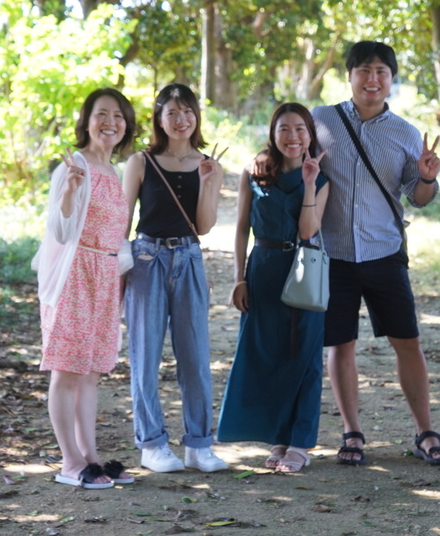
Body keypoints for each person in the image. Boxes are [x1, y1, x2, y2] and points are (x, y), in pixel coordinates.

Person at [311, 40, 440, 466]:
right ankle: (352, 433)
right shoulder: (320, 121)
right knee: (340, 345)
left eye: (381, 72)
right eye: (364, 71)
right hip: (332, 253)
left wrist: (426, 178)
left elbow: (418, 198)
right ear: (349, 76)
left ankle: (425, 432)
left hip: (384, 252)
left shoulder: (406, 133)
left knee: (407, 342)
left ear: (391, 79)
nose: (372, 80)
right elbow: (290, 159)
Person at [33, 87, 138, 489]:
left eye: (118, 116)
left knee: (91, 372)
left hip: (106, 277)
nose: (110, 122)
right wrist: (69, 193)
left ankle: (91, 456)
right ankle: (69, 461)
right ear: (87, 121)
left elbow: (116, 235)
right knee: (67, 369)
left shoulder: (114, 171)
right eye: (102, 114)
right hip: (75, 274)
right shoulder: (73, 166)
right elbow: (59, 232)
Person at [217, 103, 330, 473]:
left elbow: (308, 231)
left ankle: (300, 442)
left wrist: (309, 183)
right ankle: (279, 437)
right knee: (267, 354)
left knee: (304, 354)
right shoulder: (256, 171)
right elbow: (241, 228)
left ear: (310, 134)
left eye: (300, 129)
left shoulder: (322, 179)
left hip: (303, 269)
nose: (292, 136)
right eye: (284, 129)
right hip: (263, 269)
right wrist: (239, 278)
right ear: (273, 132)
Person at [122, 83, 229, 473]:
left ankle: (198, 446)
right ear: (159, 118)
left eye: (188, 112)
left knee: (195, 357)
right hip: (146, 259)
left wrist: (209, 181)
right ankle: (151, 444)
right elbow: (122, 221)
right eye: (172, 112)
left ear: (196, 116)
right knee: (145, 355)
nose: (181, 119)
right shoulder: (141, 161)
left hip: (188, 257)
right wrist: (117, 271)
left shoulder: (209, 163)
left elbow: (203, 226)